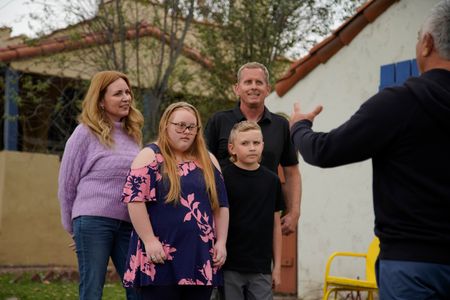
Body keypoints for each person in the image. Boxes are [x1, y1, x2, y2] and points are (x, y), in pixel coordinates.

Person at [289, 1, 450, 298]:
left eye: (417, 37)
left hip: (410, 267)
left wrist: (299, 127)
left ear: (427, 44)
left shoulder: (400, 103)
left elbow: (325, 151)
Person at [121, 102, 229, 300]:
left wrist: (221, 242)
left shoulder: (208, 159)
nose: (186, 131)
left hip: (200, 257)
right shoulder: (150, 156)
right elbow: (135, 201)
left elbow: (221, 205)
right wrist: (149, 240)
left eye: (191, 127)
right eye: (180, 125)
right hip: (159, 257)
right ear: (165, 126)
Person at [58, 70, 144, 300]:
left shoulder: (133, 135)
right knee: (92, 289)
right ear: (101, 101)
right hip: (92, 222)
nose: (126, 98)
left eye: (128, 92)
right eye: (118, 93)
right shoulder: (84, 133)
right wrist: (72, 228)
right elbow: (67, 184)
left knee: (138, 287)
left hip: (128, 224)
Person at [205, 62, 301, 236]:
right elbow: (202, 167)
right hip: (221, 218)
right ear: (237, 88)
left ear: (268, 88)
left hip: (263, 220)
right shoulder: (218, 121)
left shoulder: (281, 126)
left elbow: (292, 172)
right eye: (248, 82)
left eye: (259, 82)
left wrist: (294, 212)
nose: (253, 87)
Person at [222, 121, 284, 300]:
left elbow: (275, 226)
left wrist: (277, 267)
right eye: (245, 143)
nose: (252, 148)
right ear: (232, 148)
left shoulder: (272, 181)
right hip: (229, 266)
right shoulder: (223, 178)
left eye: (256, 143)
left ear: (263, 145)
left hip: (261, 268)